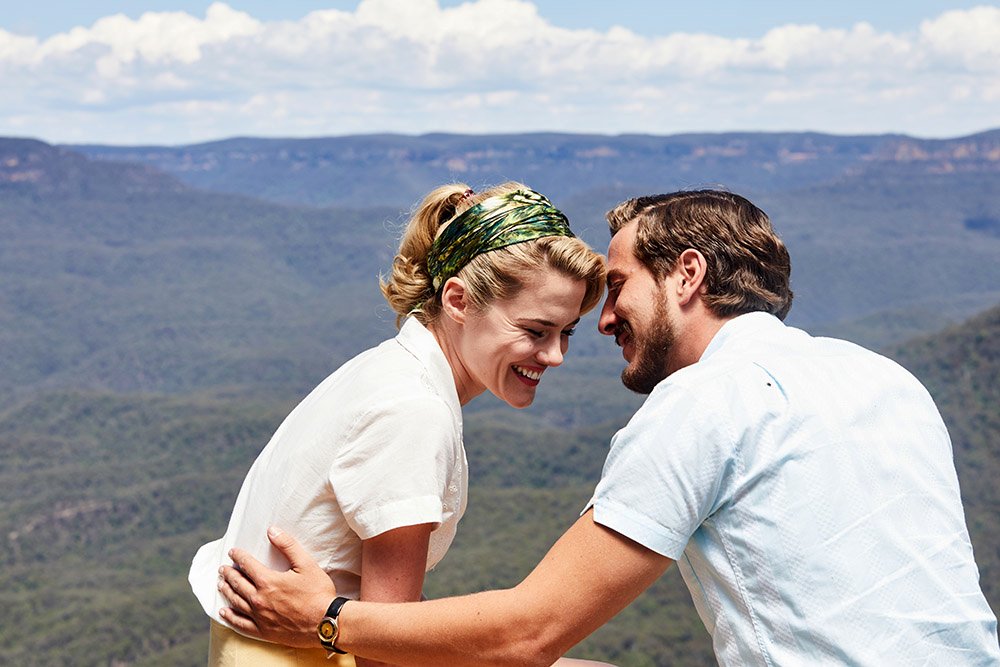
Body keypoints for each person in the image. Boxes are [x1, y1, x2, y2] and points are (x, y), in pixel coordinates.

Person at [217, 190, 1000, 666]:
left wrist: (323, 619)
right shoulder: (887, 380)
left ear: (687, 274)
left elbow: (528, 632)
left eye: (617, 287)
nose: (603, 322)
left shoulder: (701, 404)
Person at [189, 181, 607, 666]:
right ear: (458, 301)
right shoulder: (414, 411)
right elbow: (381, 650)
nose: (555, 356)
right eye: (535, 331)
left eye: (566, 332)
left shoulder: (386, 368)